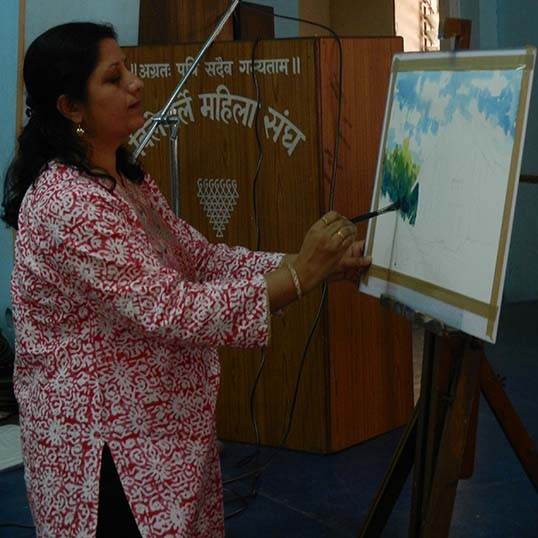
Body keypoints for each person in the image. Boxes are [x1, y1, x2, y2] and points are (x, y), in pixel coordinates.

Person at [1, 22, 371, 538]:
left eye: (128, 68)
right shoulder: (69, 203)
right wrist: (301, 274)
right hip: (102, 447)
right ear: (71, 107)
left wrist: (316, 264)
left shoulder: (125, 181)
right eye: (114, 78)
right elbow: (174, 310)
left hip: (155, 430)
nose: (136, 83)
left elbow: (201, 260)